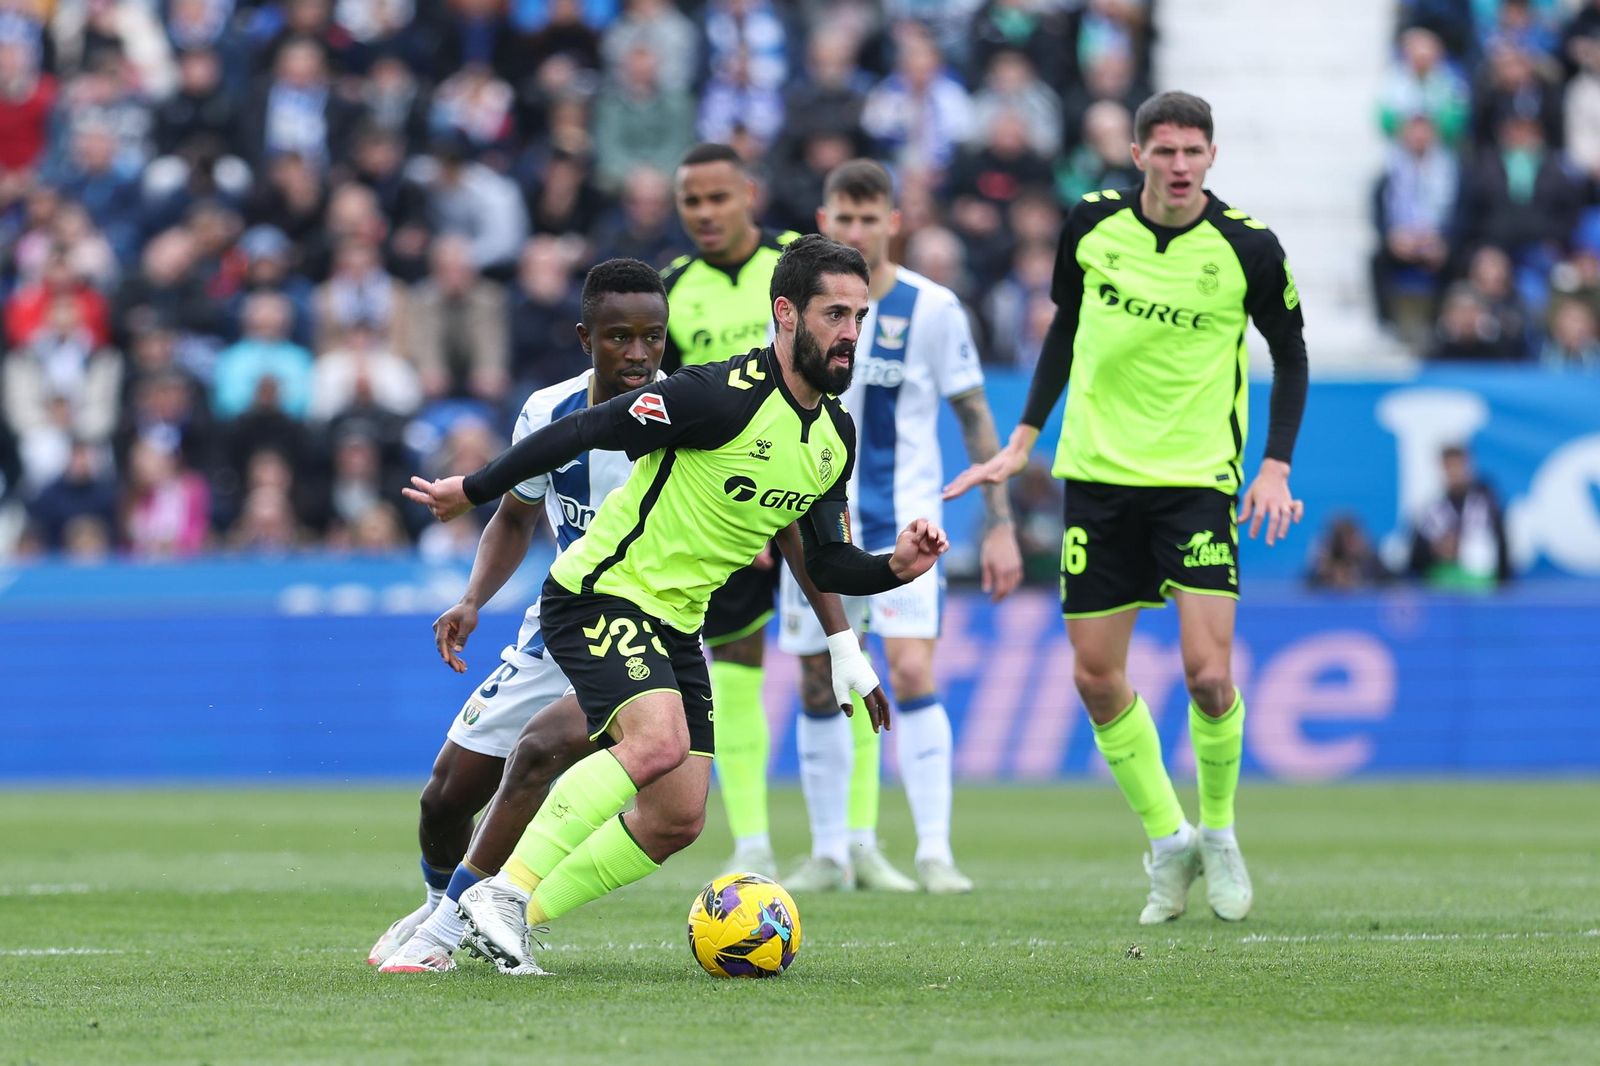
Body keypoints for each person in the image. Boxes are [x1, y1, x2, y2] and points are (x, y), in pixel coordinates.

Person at [403, 234, 947, 974]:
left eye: (859, 317)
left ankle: (510, 914)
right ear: (786, 315)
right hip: (600, 594)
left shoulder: (833, 437)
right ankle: (496, 893)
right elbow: (588, 427)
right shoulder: (717, 394)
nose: (850, 333)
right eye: (834, 315)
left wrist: (894, 568)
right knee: (650, 744)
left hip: (675, 623)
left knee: (677, 817)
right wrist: (470, 489)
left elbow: (824, 559)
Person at [945, 91, 1309, 925]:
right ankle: (1168, 837)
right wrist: (1024, 436)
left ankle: (1218, 831)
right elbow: (1065, 328)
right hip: (1099, 480)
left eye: (1194, 151)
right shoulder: (1091, 224)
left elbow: (1291, 357)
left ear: (1211, 157)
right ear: (1138, 153)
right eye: (1165, 150)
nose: (1180, 165)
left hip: (1195, 485)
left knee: (1209, 675)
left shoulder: (1248, 247)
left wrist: (1275, 467)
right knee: (1095, 675)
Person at [367, 258, 671, 971]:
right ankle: (444, 905)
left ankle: (449, 936)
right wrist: (474, 599)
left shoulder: (686, 419)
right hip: (557, 626)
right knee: (444, 798)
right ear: (584, 337)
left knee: (541, 756)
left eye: (652, 337)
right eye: (619, 336)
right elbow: (514, 515)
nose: (637, 353)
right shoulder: (548, 410)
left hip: (642, 636)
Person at [778, 159, 1023, 895]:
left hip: (909, 524)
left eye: (869, 217)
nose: (857, 230)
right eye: (843, 218)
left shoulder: (935, 308)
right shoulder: (798, 308)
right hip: (818, 521)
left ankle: (935, 852)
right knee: (820, 680)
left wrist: (1001, 522)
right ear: (825, 223)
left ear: (894, 221)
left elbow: (975, 414)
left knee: (912, 670)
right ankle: (829, 853)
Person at [658, 141, 800, 877]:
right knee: (736, 661)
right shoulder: (672, 287)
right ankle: (754, 842)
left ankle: (848, 844)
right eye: (692, 201)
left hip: (810, 488)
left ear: (749, 192)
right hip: (728, 513)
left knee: (827, 664)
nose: (706, 214)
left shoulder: (797, 263)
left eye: (718, 197)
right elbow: (669, 414)